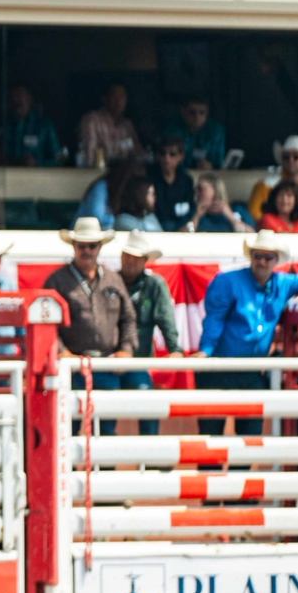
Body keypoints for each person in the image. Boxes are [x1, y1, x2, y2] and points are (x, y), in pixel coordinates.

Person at [197, 231, 298, 436]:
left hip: (252, 371)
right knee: (210, 435)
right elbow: (214, 320)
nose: (262, 262)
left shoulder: (282, 283)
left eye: (268, 257)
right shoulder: (227, 281)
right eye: (257, 256)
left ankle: (240, 469)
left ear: (276, 260)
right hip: (220, 369)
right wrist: (205, 353)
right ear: (251, 257)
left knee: (250, 436)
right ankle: (209, 468)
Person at [44, 217, 133, 435]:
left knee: (107, 426)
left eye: (92, 246)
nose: (87, 251)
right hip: (72, 366)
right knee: (69, 427)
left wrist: (126, 349)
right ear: (74, 247)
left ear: (99, 248)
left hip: (107, 364)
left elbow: (128, 317)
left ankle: (108, 468)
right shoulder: (57, 281)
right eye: (82, 246)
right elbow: (47, 324)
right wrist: (62, 352)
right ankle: (71, 469)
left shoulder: (113, 279)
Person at [116, 230, 180, 433]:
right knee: (103, 407)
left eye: (137, 259)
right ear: (122, 257)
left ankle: (150, 454)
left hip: (138, 360)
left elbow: (165, 318)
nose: (131, 262)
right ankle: (105, 458)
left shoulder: (154, 284)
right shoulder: (111, 281)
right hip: (110, 359)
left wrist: (174, 348)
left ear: (145, 261)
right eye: (128, 257)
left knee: (148, 401)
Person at [251, 135, 298, 221]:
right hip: (271, 232)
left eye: (296, 157)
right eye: (286, 157)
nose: (291, 160)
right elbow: (254, 215)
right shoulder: (265, 184)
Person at [0, 84, 64, 167]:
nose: (16, 99)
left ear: (30, 98)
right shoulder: (6, 126)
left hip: (37, 178)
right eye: (13, 96)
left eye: (20, 94)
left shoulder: (45, 125)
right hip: (10, 177)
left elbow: (60, 159)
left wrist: (37, 163)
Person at [77, 82, 139, 169]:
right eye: (114, 97)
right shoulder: (92, 120)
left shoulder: (127, 125)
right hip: (99, 175)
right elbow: (89, 158)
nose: (119, 101)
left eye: (122, 97)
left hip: (125, 174)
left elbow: (137, 153)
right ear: (104, 99)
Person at [146, 134, 194, 230]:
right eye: (162, 153)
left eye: (172, 154)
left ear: (181, 156)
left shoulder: (186, 180)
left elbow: (189, 207)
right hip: (156, 225)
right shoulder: (149, 178)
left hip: (182, 223)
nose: (166, 158)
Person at [186, 171, 253, 234]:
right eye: (196, 189)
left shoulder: (237, 209)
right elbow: (181, 235)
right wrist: (196, 217)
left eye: (200, 189)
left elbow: (252, 234)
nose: (197, 193)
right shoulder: (193, 211)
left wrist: (231, 217)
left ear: (215, 189)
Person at [171, 96, 227, 170]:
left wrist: (210, 166)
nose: (197, 117)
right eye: (192, 113)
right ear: (183, 112)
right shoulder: (173, 130)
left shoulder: (216, 130)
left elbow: (219, 160)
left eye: (202, 113)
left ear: (207, 113)